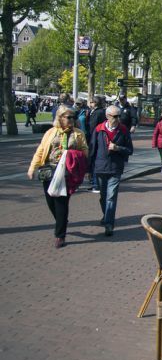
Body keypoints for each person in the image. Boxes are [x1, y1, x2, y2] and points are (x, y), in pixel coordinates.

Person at [27, 105, 89, 248]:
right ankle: (62, 220)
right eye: (68, 117)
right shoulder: (50, 132)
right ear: (60, 118)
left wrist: (76, 157)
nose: (71, 120)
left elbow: (85, 151)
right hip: (49, 170)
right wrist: (32, 168)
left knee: (61, 202)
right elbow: (41, 150)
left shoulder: (78, 134)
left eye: (73, 117)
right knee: (50, 201)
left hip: (67, 172)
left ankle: (60, 235)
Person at [89, 105, 134, 237]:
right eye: (115, 116)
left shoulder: (124, 130)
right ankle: (106, 215)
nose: (118, 118)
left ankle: (109, 224)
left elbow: (130, 150)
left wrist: (118, 148)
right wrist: (89, 168)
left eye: (119, 116)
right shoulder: (98, 129)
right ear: (108, 116)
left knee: (111, 197)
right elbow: (92, 149)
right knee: (103, 197)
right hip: (100, 167)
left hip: (115, 168)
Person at [86, 97, 106, 193]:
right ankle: (95, 182)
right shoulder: (102, 111)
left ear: (95, 103)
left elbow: (92, 127)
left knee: (94, 160)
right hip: (100, 138)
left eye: (91, 102)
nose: (90, 104)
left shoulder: (96, 113)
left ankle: (95, 184)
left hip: (95, 138)